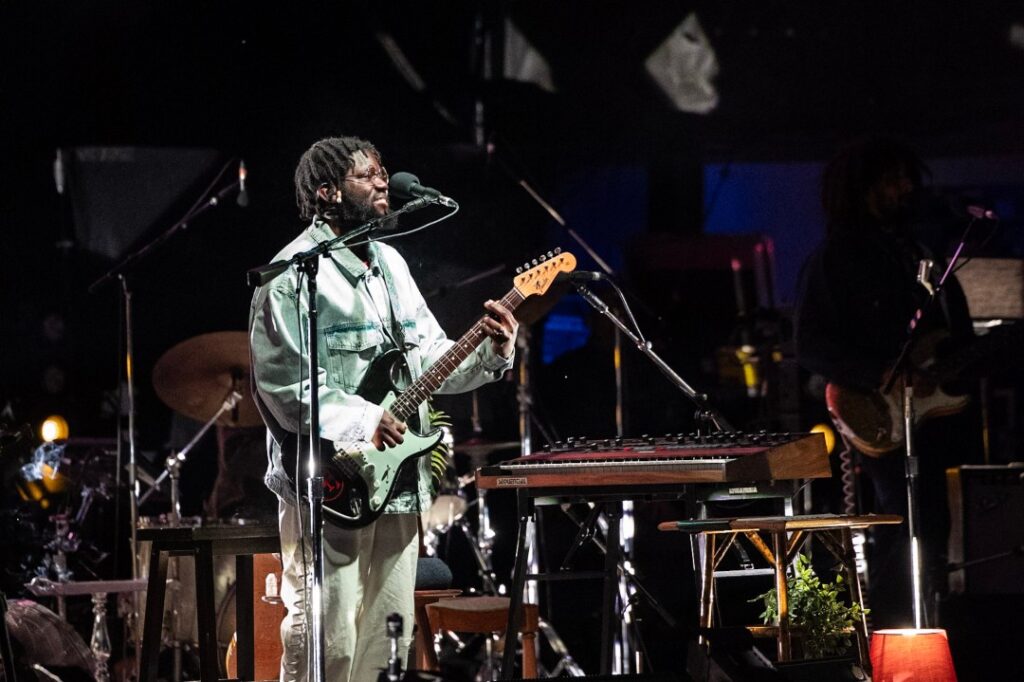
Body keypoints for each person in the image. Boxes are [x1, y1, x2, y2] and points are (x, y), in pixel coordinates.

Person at [248, 135, 518, 681]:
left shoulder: (391, 264)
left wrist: (493, 351)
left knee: (388, 632)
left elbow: (431, 360)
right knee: (327, 631)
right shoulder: (291, 278)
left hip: (399, 479)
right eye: (365, 174)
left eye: (381, 170)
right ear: (327, 192)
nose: (381, 181)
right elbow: (285, 386)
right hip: (331, 481)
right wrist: (366, 419)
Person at [793, 136, 981, 628]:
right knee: (904, 523)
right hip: (876, 411)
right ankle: (889, 636)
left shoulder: (915, 251)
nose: (905, 188)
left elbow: (947, 334)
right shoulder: (836, 257)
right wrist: (878, 373)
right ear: (863, 188)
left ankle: (928, 629)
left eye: (905, 178)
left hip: (927, 418)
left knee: (932, 523)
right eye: (893, 180)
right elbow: (809, 343)